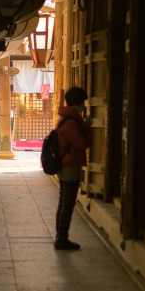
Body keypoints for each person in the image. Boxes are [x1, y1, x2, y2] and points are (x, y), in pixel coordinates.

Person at [54, 86, 91, 250]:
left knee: (64, 202)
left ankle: (60, 236)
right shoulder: (71, 122)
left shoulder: (66, 118)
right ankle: (62, 238)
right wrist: (87, 129)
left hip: (65, 165)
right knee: (67, 204)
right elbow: (81, 144)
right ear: (77, 103)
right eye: (83, 102)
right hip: (70, 166)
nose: (84, 106)